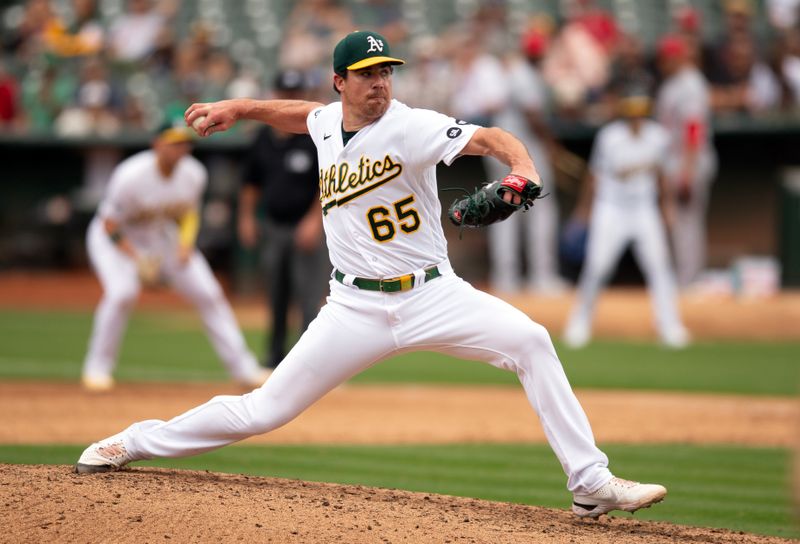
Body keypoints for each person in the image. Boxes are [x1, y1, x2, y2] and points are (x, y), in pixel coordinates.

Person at [75, 30, 667, 519]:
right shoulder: (328, 124)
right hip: (353, 308)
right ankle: (130, 441)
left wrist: (522, 165)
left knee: (532, 342)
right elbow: (300, 115)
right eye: (367, 73)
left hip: (434, 294)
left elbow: (489, 135)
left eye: (385, 71)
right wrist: (241, 108)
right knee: (264, 410)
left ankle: (590, 482)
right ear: (341, 82)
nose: (380, 82)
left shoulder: (411, 125)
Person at [80, 122, 270, 392]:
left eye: (184, 143)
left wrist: (185, 244)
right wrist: (138, 260)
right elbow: (109, 225)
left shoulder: (193, 173)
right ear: (156, 144)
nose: (180, 148)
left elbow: (189, 213)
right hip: (116, 240)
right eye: (173, 142)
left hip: (161, 235)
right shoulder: (130, 175)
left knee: (208, 292)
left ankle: (244, 369)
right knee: (122, 293)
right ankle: (96, 369)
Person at [562, 88, 690, 349]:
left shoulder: (658, 137)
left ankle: (670, 326)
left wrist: (667, 207)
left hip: (644, 209)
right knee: (598, 266)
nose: (635, 118)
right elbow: (594, 176)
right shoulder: (610, 137)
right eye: (631, 112)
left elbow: (663, 176)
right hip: (611, 208)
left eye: (639, 113)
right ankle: (580, 323)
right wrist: (584, 212)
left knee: (658, 267)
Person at [238, 69, 328, 369]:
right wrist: (247, 218)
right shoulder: (263, 135)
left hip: (306, 225)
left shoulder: (315, 134)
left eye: (294, 93)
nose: (289, 98)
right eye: (284, 93)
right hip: (274, 225)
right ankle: (274, 359)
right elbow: (251, 183)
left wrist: (315, 221)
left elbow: (328, 182)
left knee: (309, 296)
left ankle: (310, 365)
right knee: (276, 295)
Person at [484, 29, 567, 295]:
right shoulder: (523, 74)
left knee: (505, 210)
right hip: (522, 151)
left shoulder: (515, 72)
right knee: (540, 210)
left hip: (503, 149)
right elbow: (533, 115)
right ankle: (541, 277)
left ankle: (506, 278)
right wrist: (552, 145)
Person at [654, 35, 717, 289]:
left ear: (678, 57)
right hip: (674, 161)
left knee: (687, 223)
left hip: (689, 161)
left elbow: (694, 129)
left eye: (667, 58)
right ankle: (682, 279)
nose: (663, 63)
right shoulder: (672, 84)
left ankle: (690, 280)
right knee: (676, 224)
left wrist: (688, 171)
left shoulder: (691, 84)